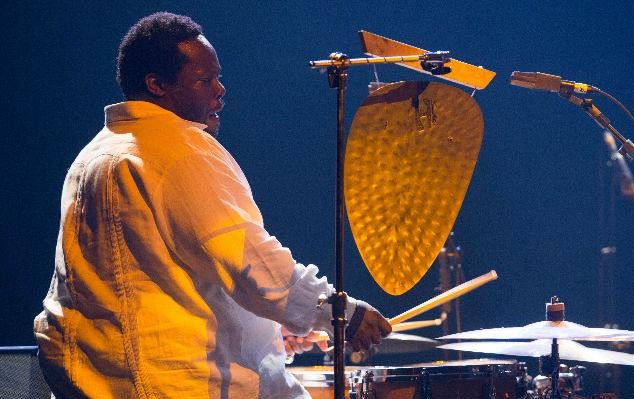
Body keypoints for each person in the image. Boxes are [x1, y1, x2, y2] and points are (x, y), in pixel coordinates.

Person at [33, 12, 391, 398]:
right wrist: (341, 313)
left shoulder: (94, 156)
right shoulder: (178, 149)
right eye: (204, 80)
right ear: (157, 85)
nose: (220, 90)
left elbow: (147, 282)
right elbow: (248, 261)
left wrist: (272, 328)